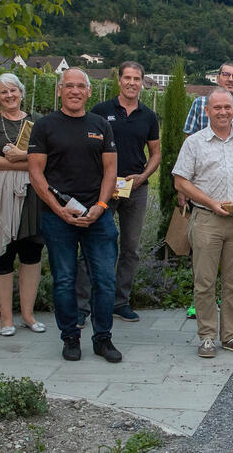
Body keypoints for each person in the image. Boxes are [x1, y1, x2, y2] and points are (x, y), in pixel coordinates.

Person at [28, 68, 122, 363]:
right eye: (69, 85)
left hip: (98, 216)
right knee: (65, 280)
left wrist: (101, 206)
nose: (75, 91)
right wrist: (59, 210)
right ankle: (70, 337)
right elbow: (35, 173)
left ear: (89, 92)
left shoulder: (100, 125)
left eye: (81, 86)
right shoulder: (44, 126)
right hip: (58, 218)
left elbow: (111, 170)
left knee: (105, 280)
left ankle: (103, 339)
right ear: (60, 90)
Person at [173, 88, 233, 358]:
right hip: (206, 219)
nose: (223, 112)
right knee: (204, 282)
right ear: (207, 111)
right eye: (217, 108)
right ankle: (207, 336)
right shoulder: (195, 143)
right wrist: (212, 202)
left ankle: (232, 335)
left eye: (228, 107)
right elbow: (180, 181)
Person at [80, 62, 161, 325]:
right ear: (119, 81)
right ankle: (83, 305)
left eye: (137, 79)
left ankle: (120, 302)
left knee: (131, 248)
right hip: (104, 187)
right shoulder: (101, 111)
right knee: (93, 245)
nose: (132, 83)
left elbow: (156, 153)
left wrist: (143, 177)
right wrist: (104, 178)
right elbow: (88, 147)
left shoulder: (148, 116)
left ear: (142, 82)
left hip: (135, 189)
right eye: (127, 78)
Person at [0, 73, 45, 337]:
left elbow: (49, 157)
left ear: (21, 92)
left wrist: (21, 159)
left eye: (13, 90)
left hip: (33, 196)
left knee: (31, 254)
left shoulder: (37, 121)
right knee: (1, 255)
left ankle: (27, 314)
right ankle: (5, 318)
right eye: (3, 92)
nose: (9, 95)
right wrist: (24, 162)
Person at [182, 61, 233, 139]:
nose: (230, 79)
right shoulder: (200, 104)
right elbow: (189, 137)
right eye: (226, 75)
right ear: (217, 78)